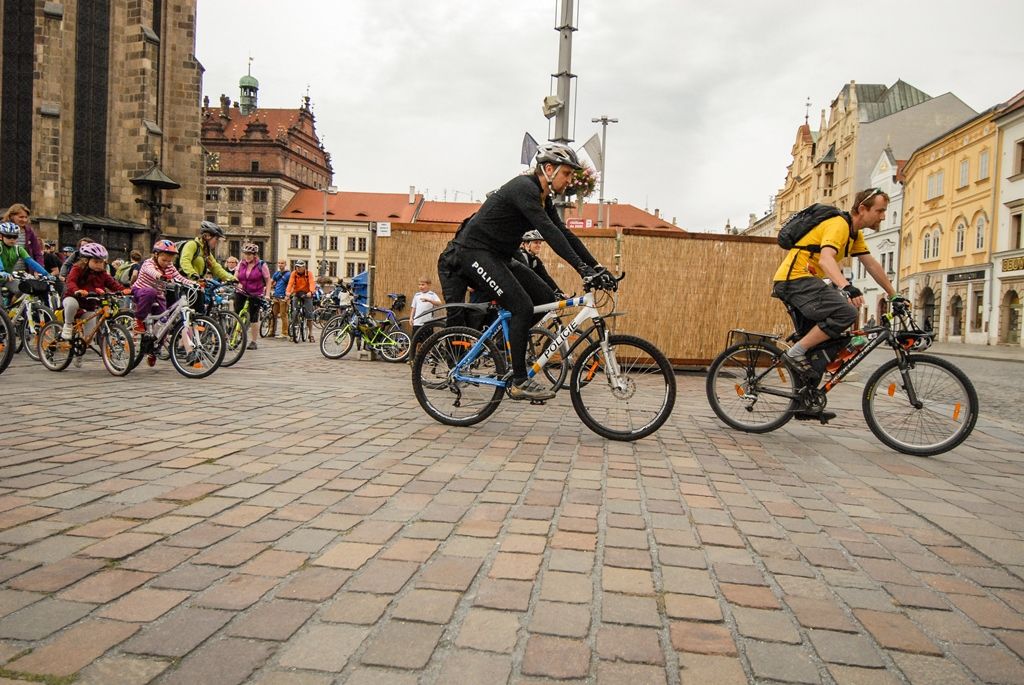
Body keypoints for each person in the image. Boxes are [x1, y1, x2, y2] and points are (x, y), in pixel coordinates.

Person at [450, 143, 611, 401]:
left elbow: (564, 233)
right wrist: (581, 269)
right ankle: (519, 380)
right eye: (566, 174)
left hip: (501, 256)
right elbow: (549, 232)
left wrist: (596, 267)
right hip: (475, 252)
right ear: (549, 169)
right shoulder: (525, 188)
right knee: (522, 307)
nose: (569, 181)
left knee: (547, 300)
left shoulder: (542, 196)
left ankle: (507, 347)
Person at [772, 187, 904, 420]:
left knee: (823, 348)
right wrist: (846, 286)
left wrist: (894, 294)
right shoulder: (838, 224)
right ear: (862, 209)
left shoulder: (855, 234)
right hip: (794, 280)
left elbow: (871, 264)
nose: (883, 216)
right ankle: (795, 352)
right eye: (880, 210)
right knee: (845, 310)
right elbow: (826, 258)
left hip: (805, 281)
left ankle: (804, 404)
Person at [62, 243, 129, 340]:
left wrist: (124, 290)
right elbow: (70, 281)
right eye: (96, 262)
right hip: (74, 298)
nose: (99, 265)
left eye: (101, 262)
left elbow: (113, 284)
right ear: (86, 260)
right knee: (72, 304)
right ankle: (67, 325)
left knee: (89, 336)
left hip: (89, 305)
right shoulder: (77, 269)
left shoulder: (102, 274)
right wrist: (77, 290)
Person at [131, 240, 193, 335]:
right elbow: (151, 271)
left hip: (159, 294)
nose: (167, 263)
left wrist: (193, 283)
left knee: (164, 322)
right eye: (164, 260)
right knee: (150, 292)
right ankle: (138, 319)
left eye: (169, 261)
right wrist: (160, 276)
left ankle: (156, 345)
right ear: (156, 255)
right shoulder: (148, 263)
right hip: (141, 290)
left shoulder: (170, 266)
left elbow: (178, 276)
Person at [234, 243, 271, 349]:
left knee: (254, 317)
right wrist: (237, 282)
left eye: (250, 254)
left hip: (255, 293)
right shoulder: (241, 263)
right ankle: (236, 335)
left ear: (255, 254)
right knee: (237, 314)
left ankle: (254, 341)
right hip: (241, 291)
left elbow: (268, 280)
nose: (247, 256)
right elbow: (235, 276)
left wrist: (267, 294)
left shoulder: (261, 264)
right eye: (246, 254)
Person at [0, 222, 51, 292]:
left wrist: (46, 274)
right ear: (1, 236)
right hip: (3, 275)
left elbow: (32, 262)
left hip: (9, 279)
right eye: (8, 236)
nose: (12, 239)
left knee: (23, 290)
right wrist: (1, 272)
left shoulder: (18, 249)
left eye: (15, 237)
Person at [514, 230, 564, 296]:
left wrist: (559, 292)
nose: (539, 245)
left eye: (540, 243)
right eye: (536, 242)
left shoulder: (535, 260)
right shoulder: (520, 256)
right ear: (526, 244)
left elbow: (545, 277)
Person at [286, 260, 316, 342]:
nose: (298, 268)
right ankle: (294, 331)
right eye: (297, 266)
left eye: (299, 266)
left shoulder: (308, 273)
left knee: (309, 314)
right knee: (294, 312)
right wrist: (288, 292)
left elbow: (312, 283)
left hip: (307, 293)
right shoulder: (294, 273)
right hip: (297, 293)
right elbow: (290, 283)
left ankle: (311, 334)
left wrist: (311, 292)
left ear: (304, 267)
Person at [268, 259, 290, 337]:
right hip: (276, 296)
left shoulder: (288, 274)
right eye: (279, 263)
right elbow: (271, 282)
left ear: (285, 264)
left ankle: (284, 333)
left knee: (283, 315)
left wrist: (288, 295)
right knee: (273, 314)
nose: (280, 264)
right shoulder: (276, 273)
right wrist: (267, 289)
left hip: (283, 297)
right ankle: (272, 331)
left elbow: (290, 285)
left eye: (282, 263)